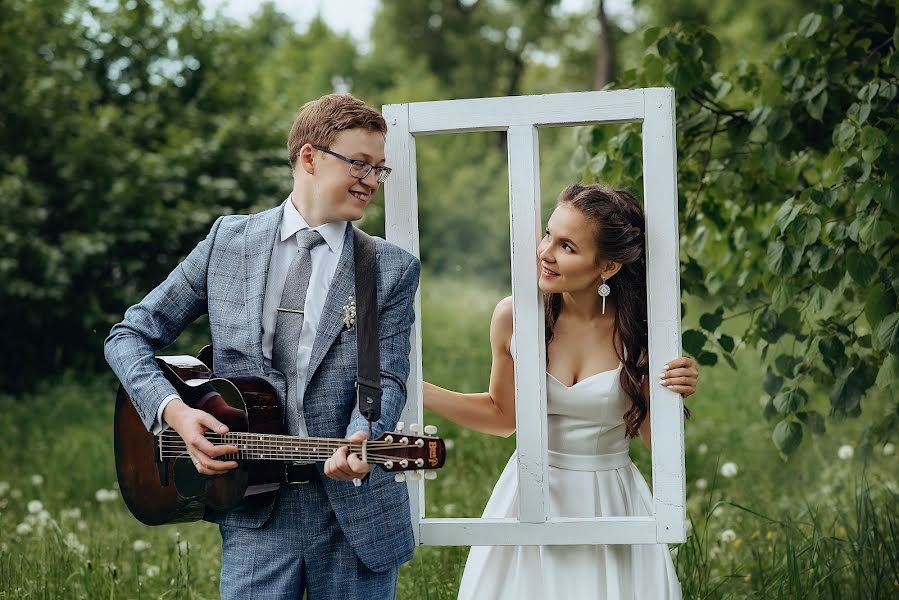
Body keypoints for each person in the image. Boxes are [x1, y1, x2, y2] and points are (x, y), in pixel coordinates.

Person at [105, 93, 420, 599]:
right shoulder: (227, 242)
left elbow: (385, 377)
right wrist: (175, 413)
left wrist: (365, 435)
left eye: (379, 169)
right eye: (359, 163)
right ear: (310, 156)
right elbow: (129, 335)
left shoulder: (388, 269)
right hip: (253, 512)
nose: (370, 180)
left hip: (353, 519)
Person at [423, 183, 699, 599]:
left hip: (610, 500)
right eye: (549, 234)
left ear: (606, 267)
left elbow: (653, 441)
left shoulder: (642, 332)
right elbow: (503, 418)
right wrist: (415, 389)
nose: (545, 252)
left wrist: (674, 393)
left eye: (566, 246)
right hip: (528, 493)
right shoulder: (514, 316)